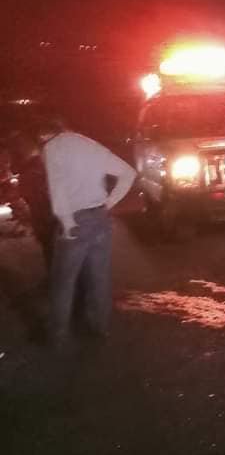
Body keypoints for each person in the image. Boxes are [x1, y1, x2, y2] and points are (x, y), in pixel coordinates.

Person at [37, 120, 135, 345]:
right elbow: (128, 173)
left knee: (64, 281)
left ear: (46, 134)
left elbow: (57, 188)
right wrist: (109, 203)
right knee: (99, 277)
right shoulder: (90, 145)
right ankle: (101, 327)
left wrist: (66, 221)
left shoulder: (53, 148)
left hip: (75, 219)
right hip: (100, 217)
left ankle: (58, 334)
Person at [10, 131, 55, 268]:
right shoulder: (35, 165)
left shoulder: (35, 166)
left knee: (51, 245)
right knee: (50, 245)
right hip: (45, 214)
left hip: (46, 214)